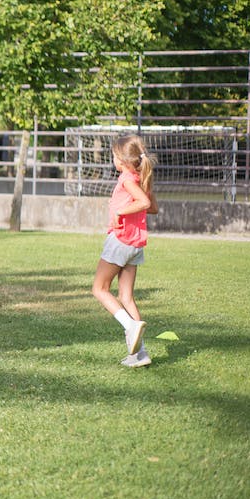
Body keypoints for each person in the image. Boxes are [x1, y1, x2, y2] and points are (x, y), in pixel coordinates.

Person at [91, 134, 158, 368]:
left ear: (121, 159)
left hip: (120, 240)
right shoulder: (141, 177)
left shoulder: (128, 179)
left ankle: (130, 326)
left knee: (99, 289)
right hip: (135, 244)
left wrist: (120, 212)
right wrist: (134, 206)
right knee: (126, 297)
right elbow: (153, 206)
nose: (112, 159)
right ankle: (140, 354)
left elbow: (146, 204)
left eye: (113, 156)